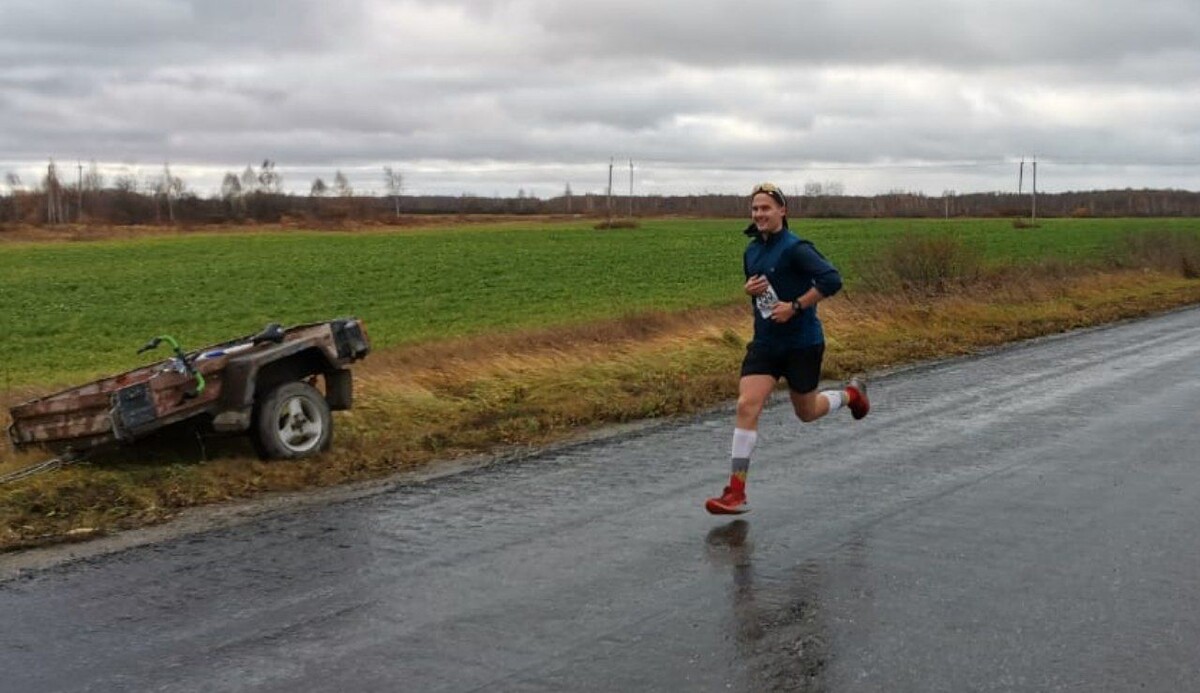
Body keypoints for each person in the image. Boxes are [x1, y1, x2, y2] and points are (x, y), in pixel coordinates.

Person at [705, 182, 869, 515]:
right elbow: (761, 291)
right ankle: (736, 492)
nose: (759, 214)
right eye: (755, 208)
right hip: (765, 342)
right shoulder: (751, 251)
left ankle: (851, 396)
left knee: (806, 413)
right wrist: (749, 288)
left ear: (782, 211)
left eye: (766, 208)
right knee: (746, 404)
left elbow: (832, 280)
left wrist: (795, 306)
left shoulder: (796, 248)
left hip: (802, 343)